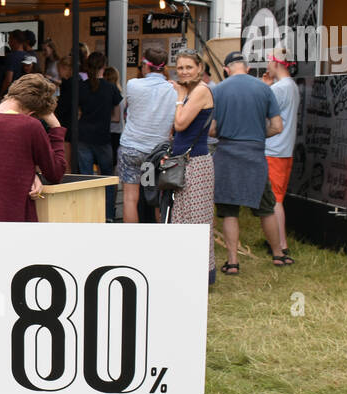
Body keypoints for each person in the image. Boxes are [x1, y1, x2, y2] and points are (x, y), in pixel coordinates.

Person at [211, 51, 284, 274]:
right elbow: (277, 126)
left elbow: (212, 129)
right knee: (266, 208)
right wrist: (257, 135)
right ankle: (278, 255)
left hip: (226, 154)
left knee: (229, 210)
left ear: (226, 69)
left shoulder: (218, 90)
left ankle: (232, 261)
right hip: (255, 155)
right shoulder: (264, 89)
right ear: (248, 68)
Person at [0, 74, 66, 223]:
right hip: (16, 221)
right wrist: (56, 128)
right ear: (32, 113)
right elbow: (55, 172)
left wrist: (30, 173)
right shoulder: (29, 125)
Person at [169, 51, 217, 284]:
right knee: (182, 216)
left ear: (200, 68)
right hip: (187, 161)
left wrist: (179, 96)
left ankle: (200, 274)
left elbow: (180, 124)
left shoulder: (200, 91)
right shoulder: (193, 91)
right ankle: (186, 270)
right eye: (180, 68)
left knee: (196, 220)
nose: (184, 71)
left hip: (195, 163)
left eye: (189, 67)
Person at [117, 48, 177, 224]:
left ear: (145, 65)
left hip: (132, 150)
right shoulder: (173, 90)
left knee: (130, 198)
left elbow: (127, 111)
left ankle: (132, 241)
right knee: (154, 196)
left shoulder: (133, 84)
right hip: (155, 155)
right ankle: (157, 237)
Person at [75, 53, 123, 221]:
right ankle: (108, 215)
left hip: (83, 136)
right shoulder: (111, 88)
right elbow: (117, 117)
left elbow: (77, 113)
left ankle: (88, 215)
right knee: (108, 178)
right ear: (104, 66)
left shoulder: (81, 87)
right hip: (103, 138)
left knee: (86, 178)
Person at [265, 49, 299, 264]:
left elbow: (264, 114)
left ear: (276, 64)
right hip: (285, 150)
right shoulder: (292, 86)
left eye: (269, 62)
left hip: (273, 150)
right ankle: (277, 240)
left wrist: (266, 89)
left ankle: (280, 244)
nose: (267, 66)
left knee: (274, 200)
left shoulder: (278, 89)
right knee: (278, 198)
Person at [103, 67, 123, 167]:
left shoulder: (113, 96)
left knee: (107, 163)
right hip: (117, 132)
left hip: (111, 131)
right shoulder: (121, 95)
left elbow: (116, 118)